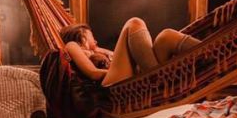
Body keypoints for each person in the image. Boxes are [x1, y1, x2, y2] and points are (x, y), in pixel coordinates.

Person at [61, 18, 200, 87]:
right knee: (134, 23)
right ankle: (156, 77)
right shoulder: (72, 45)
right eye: (92, 36)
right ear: (82, 35)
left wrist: (96, 49)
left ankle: (211, 50)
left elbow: (117, 57)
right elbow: (93, 73)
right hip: (111, 86)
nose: (96, 40)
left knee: (166, 35)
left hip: (122, 77)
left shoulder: (94, 51)